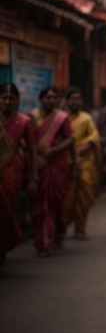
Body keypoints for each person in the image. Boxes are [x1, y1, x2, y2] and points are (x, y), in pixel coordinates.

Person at [29, 86, 76, 257]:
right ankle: (42, 239)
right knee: (39, 204)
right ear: (41, 99)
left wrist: (55, 150)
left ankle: (57, 235)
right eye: (48, 97)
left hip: (57, 164)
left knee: (56, 203)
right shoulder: (31, 117)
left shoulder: (62, 118)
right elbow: (26, 141)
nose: (51, 100)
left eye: (54, 97)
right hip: (37, 164)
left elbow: (71, 138)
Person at [0, 83, 37, 264]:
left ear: (18, 100)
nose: (7, 102)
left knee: (5, 212)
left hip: (12, 171)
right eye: (4, 98)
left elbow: (32, 149)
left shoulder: (24, 122)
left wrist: (33, 177)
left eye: (11, 98)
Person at [64, 87, 101, 240]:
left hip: (84, 162)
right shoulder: (61, 118)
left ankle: (80, 228)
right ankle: (61, 228)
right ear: (66, 101)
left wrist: (78, 151)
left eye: (78, 99)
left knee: (84, 197)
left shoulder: (86, 118)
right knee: (66, 198)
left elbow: (94, 138)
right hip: (65, 162)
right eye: (72, 99)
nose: (75, 102)